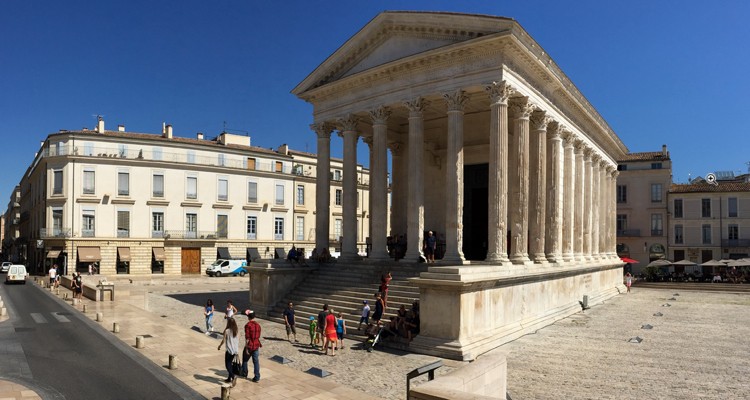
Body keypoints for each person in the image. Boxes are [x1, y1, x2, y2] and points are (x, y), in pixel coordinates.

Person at [217, 317, 240, 385]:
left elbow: (223, 340)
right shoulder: (237, 330)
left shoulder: (227, 331)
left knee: (228, 365)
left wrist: (219, 346)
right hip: (235, 350)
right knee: (230, 364)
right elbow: (238, 340)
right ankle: (229, 378)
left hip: (229, 350)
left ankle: (233, 376)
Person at [241, 310, 262, 382]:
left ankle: (244, 373)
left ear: (248, 317)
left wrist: (246, 348)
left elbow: (247, 337)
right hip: (256, 345)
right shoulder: (258, 325)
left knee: (245, 360)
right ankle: (257, 376)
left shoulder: (248, 325)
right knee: (256, 361)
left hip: (250, 345)